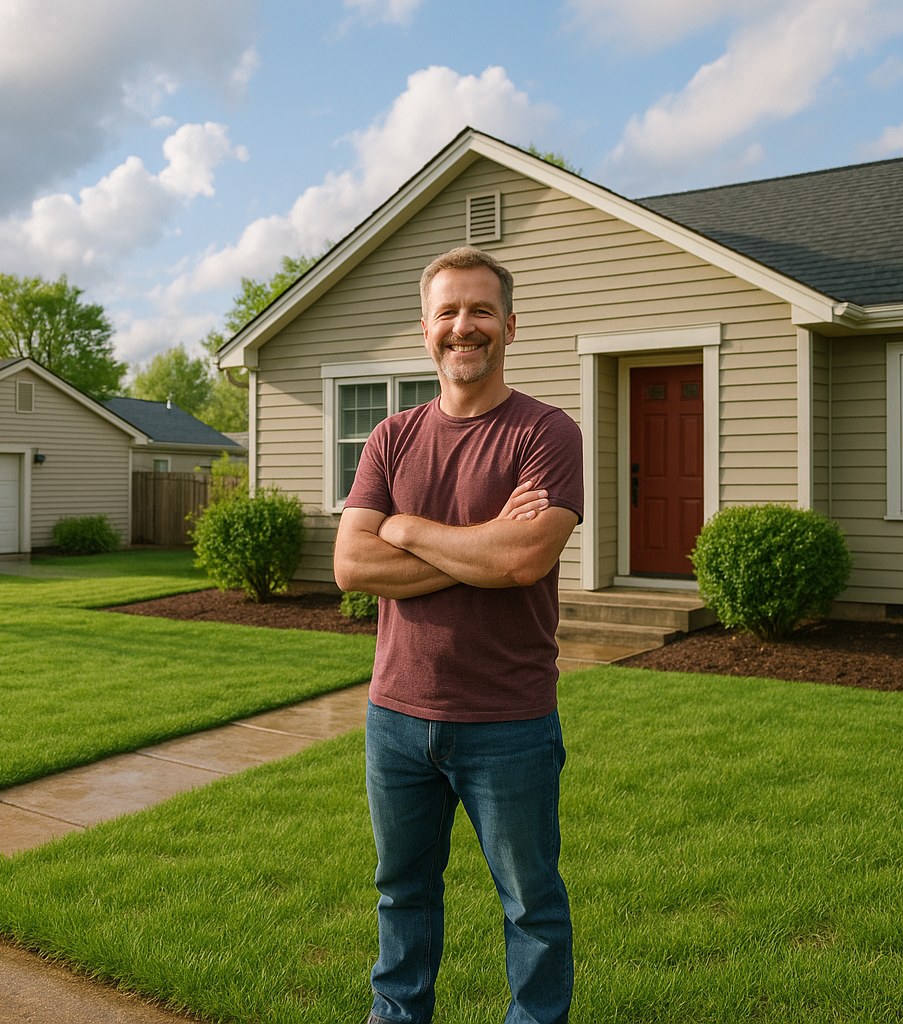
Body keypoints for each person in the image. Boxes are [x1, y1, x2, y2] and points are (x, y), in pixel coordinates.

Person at [333, 245, 585, 1024]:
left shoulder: (547, 432)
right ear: (426, 329)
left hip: (507, 719)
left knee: (530, 904)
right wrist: (477, 544)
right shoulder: (391, 437)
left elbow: (523, 560)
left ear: (510, 324)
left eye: (480, 310)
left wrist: (405, 528)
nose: (463, 327)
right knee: (401, 893)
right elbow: (350, 564)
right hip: (396, 716)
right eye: (447, 311)